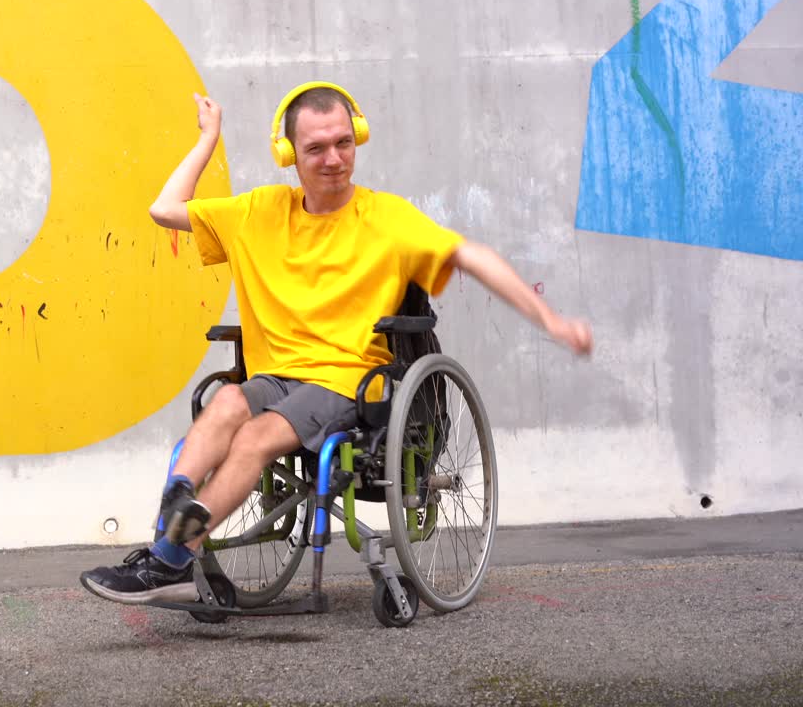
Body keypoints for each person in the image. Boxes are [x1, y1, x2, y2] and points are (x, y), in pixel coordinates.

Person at [79, 82, 593, 605]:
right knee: (228, 400)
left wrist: (549, 320)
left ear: (358, 138)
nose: (333, 159)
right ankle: (175, 515)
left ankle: (170, 558)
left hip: (346, 382)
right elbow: (165, 210)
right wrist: (208, 140)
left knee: (255, 438)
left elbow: (474, 258)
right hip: (274, 377)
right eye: (316, 148)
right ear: (288, 155)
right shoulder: (259, 211)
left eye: (343, 143)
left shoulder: (386, 218)